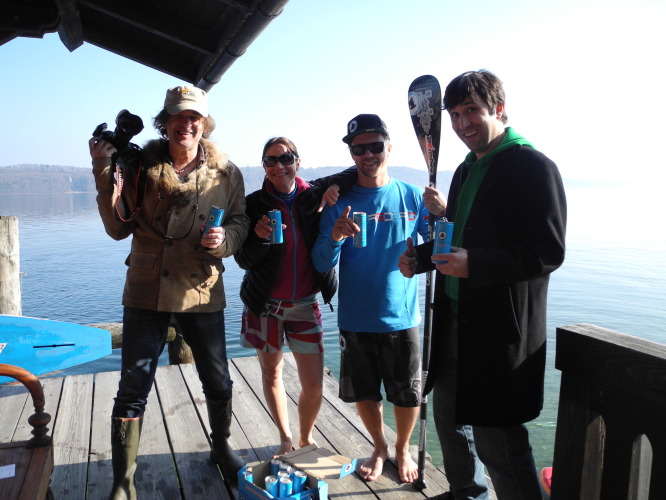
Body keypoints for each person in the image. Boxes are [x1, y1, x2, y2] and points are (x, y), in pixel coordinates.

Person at [399, 70, 567, 500]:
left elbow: (547, 251)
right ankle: (469, 495)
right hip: (454, 321)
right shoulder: (465, 170)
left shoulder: (533, 167)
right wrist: (420, 259)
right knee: (449, 423)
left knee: (499, 442)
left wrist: (475, 264)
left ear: (499, 108)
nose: (461, 123)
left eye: (471, 110)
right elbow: (457, 235)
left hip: (498, 330)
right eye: (454, 114)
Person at [89, 85, 250, 499]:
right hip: (147, 289)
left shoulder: (227, 172)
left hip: (201, 287)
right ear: (165, 122)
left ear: (205, 123)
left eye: (194, 117)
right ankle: (123, 482)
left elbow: (240, 222)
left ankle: (221, 448)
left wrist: (225, 240)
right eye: (179, 116)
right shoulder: (138, 165)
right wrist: (103, 167)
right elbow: (116, 228)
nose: (187, 124)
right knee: (133, 387)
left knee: (217, 378)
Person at [312, 114, 429, 483]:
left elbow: (438, 245)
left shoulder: (413, 196)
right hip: (356, 317)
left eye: (375, 146)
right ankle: (379, 446)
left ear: (389, 148)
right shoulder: (337, 203)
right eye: (358, 149)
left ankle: (402, 448)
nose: (367, 154)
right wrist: (335, 237)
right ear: (351, 154)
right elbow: (320, 262)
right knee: (365, 393)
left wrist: (442, 214)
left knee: (407, 394)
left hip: (403, 316)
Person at [234, 137, 356, 456]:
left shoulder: (313, 195)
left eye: (286, 158)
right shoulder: (252, 204)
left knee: (314, 384)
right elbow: (243, 260)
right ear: (264, 166)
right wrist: (259, 237)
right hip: (264, 305)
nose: (279, 166)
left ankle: (306, 436)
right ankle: (285, 438)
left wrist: (335, 188)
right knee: (272, 372)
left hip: (305, 304)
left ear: (298, 162)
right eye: (271, 160)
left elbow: (353, 171)